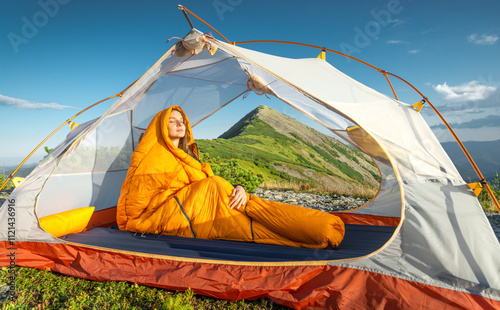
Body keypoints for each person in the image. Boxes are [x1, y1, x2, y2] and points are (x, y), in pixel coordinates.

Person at [117, 106, 345, 249]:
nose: (180, 123)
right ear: (160, 126)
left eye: (182, 121)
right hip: (164, 217)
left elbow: (204, 186)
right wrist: (211, 188)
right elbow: (139, 206)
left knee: (244, 205)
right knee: (246, 221)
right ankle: (314, 232)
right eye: (172, 120)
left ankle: (312, 228)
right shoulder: (149, 158)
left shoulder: (188, 157)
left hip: (203, 208)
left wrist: (238, 188)